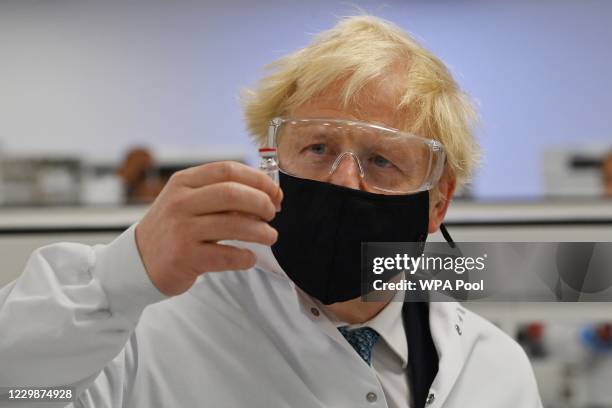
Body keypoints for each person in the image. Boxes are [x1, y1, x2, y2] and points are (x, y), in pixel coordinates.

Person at [0, 15, 542, 407]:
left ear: (437, 202)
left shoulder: (493, 370)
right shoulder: (148, 326)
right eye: (318, 149)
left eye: (381, 160)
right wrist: (123, 277)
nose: (343, 181)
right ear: (271, 163)